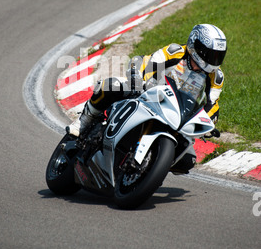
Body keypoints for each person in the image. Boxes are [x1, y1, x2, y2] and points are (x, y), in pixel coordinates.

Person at [68, 24, 227, 175]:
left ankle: (151, 166)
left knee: (187, 160)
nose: (214, 60)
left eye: (218, 56)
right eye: (210, 54)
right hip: (150, 91)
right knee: (112, 86)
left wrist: (209, 121)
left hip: (178, 113)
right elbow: (149, 62)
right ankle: (85, 120)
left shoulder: (216, 77)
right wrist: (142, 81)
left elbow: (212, 104)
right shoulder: (176, 51)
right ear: (195, 45)